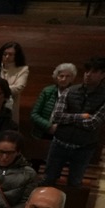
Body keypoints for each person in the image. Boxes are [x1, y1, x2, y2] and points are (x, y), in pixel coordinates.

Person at [45, 56, 105, 193]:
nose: (88, 74)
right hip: (60, 143)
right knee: (49, 178)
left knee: (74, 183)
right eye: (87, 71)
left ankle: (70, 207)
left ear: (103, 74)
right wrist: (80, 117)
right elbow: (57, 116)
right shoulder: (70, 91)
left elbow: (93, 123)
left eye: (94, 71)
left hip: (83, 147)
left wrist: (69, 118)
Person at [30, 63, 77, 140]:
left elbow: (75, 118)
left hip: (63, 135)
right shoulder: (47, 91)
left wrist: (59, 128)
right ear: (56, 77)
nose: (64, 79)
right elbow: (34, 114)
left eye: (68, 76)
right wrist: (49, 126)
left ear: (72, 78)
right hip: (43, 131)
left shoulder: (75, 94)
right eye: (61, 76)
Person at [0, 41, 29, 113]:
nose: (7, 57)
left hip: (11, 104)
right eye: (5, 54)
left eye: (10, 54)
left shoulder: (23, 69)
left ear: (16, 56)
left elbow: (19, 87)